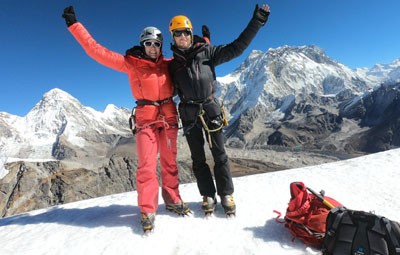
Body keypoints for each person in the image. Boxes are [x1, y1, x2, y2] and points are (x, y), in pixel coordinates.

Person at [62, 6, 192, 233]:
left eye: (157, 44)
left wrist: (204, 40)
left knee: (170, 163)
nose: (153, 48)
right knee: (147, 167)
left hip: (169, 118)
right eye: (149, 43)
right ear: (143, 45)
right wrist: (75, 25)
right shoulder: (131, 63)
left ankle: (172, 199)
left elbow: (191, 55)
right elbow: (97, 51)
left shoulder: (169, 64)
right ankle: (147, 209)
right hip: (146, 121)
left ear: (161, 47)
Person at [168, 4, 270, 217]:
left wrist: (257, 22)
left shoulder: (208, 53)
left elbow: (237, 48)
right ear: (173, 37)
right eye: (177, 34)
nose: (182, 37)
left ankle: (226, 193)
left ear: (190, 33)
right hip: (189, 114)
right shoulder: (171, 65)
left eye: (185, 32)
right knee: (198, 159)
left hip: (210, 109)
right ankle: (207, 194)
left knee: (220, 154)